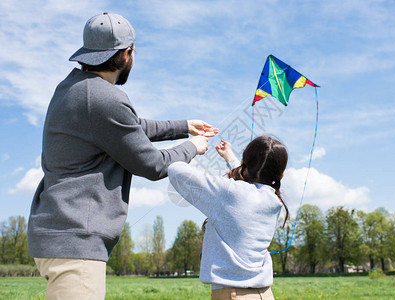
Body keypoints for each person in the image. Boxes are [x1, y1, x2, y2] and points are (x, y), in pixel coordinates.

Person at [27, 12, 217, 300]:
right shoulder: (105, 98)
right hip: (77, 242)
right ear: (127, 54)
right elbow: (153, 165)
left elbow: (130, 126)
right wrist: (194, 147)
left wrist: (183, 126)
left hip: (57, 235)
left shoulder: (72, 88)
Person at [168, 136, 289, 300]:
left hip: (233, 295)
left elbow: (176, 169)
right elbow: (250, 184)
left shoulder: (230, 192)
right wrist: (230, 158)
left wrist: (192, 147)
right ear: (280, 173)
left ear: (245, 162)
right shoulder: (274, 201)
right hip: (265, 294)